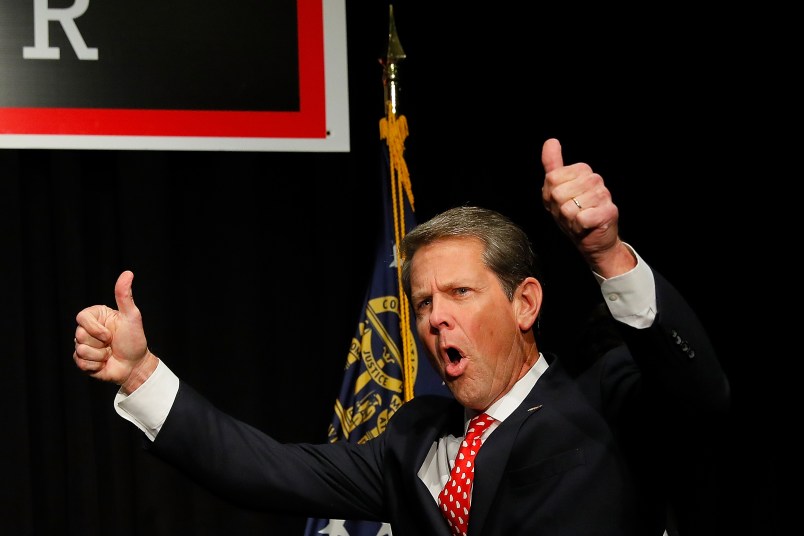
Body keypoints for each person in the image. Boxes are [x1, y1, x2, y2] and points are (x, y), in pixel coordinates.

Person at [72, 138, 730, 535]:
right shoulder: (411, 439)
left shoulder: (605, 396)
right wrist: (140, 375)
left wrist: (608, 252)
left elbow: (702, 393)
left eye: (460, 293)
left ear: (525, 302)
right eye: (421, 302)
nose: (434, 317)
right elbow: (261, 469)